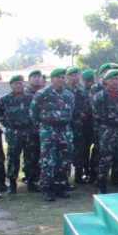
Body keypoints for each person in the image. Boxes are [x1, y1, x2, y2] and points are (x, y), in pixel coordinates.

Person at [29, 68, 75, 201]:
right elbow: (33, 112)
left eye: (63, 77)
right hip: (48, 130)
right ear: (52, 79)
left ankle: (61, 185)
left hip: (65, 130)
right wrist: (41, 126)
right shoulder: (42, 94)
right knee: (48, 160)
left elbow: (71, 111)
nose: (61, 79)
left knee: (64, 160)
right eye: (58, 77)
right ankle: (47, 188)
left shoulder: (69, 95)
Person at [0, 74, 34, 194]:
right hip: (13, 132)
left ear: (23, 84)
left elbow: (35, 112)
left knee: (30, 157)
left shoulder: (30, 98)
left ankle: (31, 181)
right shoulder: (5, 99)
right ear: (11, 85)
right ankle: (12, 183)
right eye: (15, 84)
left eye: (20, 83)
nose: (18, 86)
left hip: (28, 131)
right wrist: (8, 125)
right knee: (13, 158)